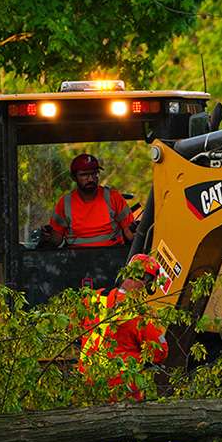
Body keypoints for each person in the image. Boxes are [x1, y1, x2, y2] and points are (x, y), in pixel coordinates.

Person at [78, 254, 169, 402]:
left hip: (87, 381)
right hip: (121, 388)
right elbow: (160, 351)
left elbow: (72, 327)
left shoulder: (94, 298)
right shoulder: (139, 314)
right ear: (146, 282)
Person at [44, 153, 134, 248]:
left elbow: (130, 234)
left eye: (94, 173)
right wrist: (46, 238)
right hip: (76, 260)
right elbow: (55, 240)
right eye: (84, 175)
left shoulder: (113, 197)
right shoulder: (65, 203)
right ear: (73, 177)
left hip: (113, 258)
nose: (90, 179)